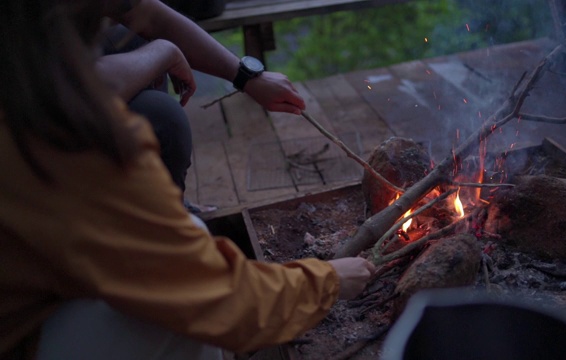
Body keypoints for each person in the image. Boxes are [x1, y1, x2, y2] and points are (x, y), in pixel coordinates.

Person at [0, 1, 374, 359]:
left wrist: (247, 77)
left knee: (185, 225)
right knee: (170, 326)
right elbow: (218, 301)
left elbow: (148, 14)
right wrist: (328, 282)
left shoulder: (28, 75)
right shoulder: (64, 142)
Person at [98, 0, 304, 206]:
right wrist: (162, 53)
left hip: (84, 66)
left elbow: (145, 12)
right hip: (72, 106)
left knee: (130, 36)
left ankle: (164, 196)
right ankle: (160, 217)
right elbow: (75, 85)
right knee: (163, 116)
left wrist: (247, 77)